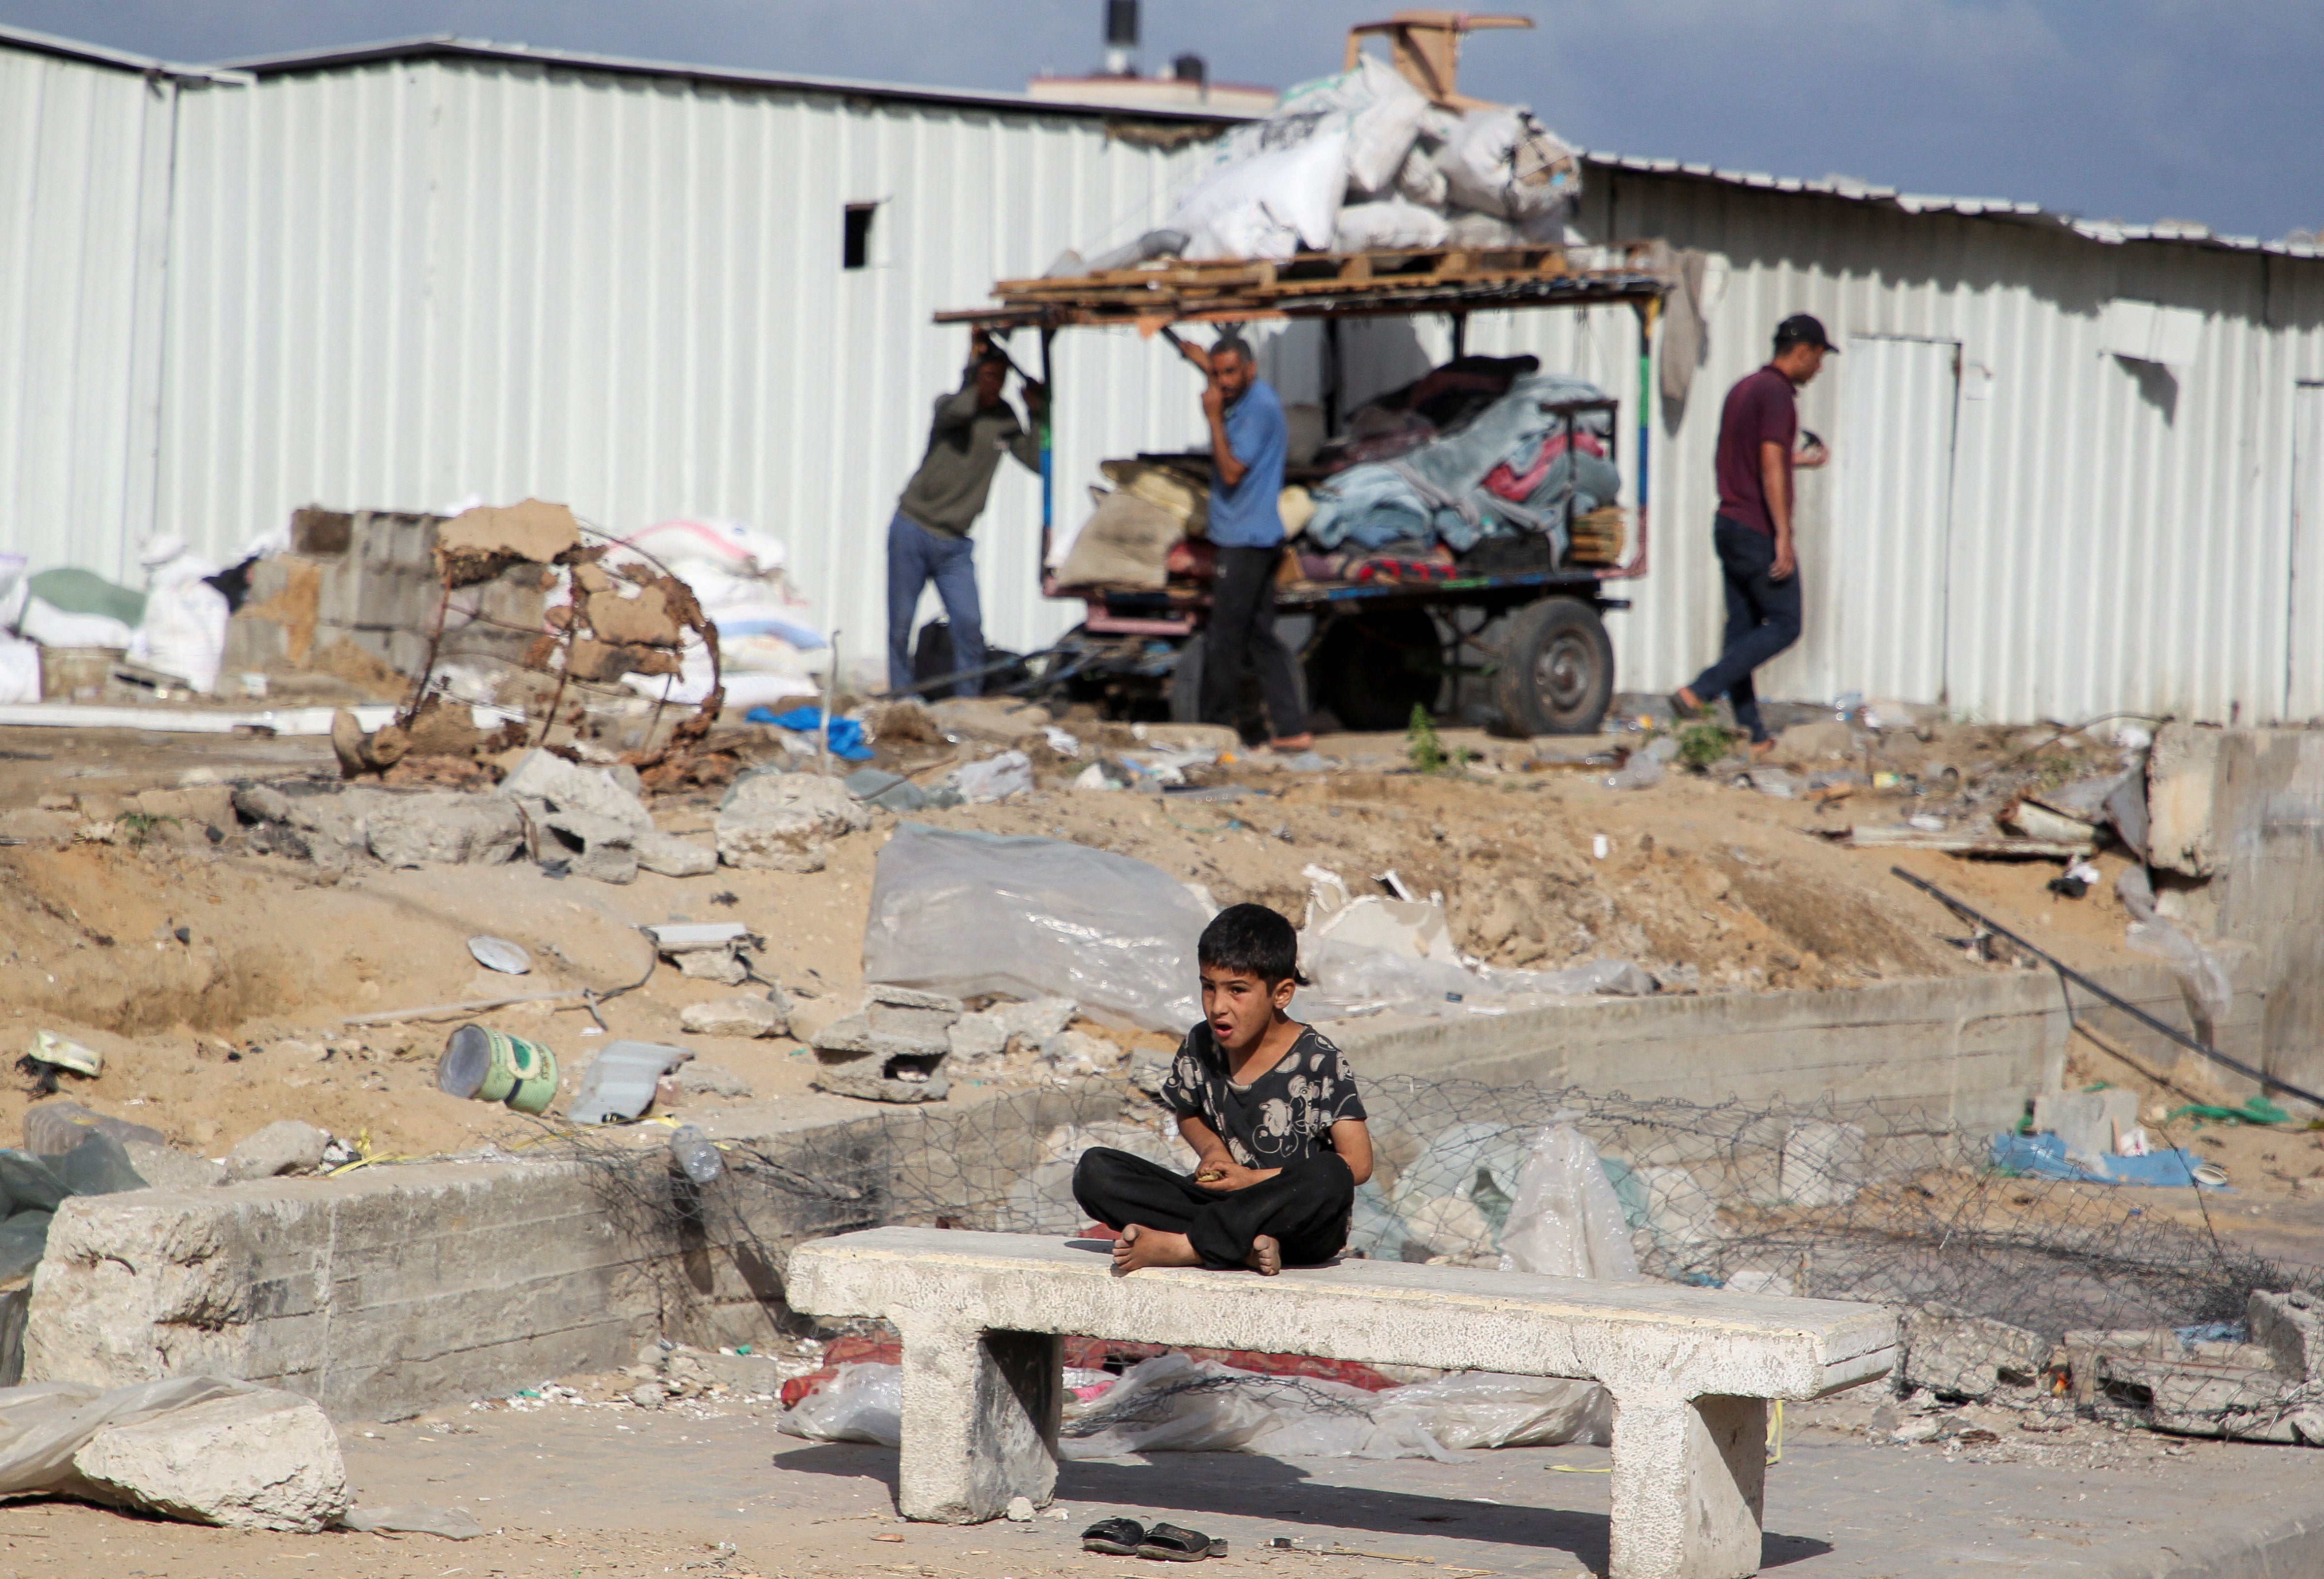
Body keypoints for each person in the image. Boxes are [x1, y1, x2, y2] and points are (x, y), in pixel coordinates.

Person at [1073, 903, 1371, 1276]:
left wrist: (1252, 1180)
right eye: (1208, 987)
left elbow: (1358, 1165)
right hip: (1222, 1202)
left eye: (1237, 991)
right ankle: (1238, 1245)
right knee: (1095, 1171)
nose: (1218, 1007)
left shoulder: (1320, 1060)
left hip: (1294, 1220)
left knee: (1330, 1175)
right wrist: (1214, 1151)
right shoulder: (1201, 1043)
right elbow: (1189, 1111)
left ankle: (1187, 1247)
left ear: (1281, 994)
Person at [1674, 313, 1835, 753]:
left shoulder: (1743, 389)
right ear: (1801, 352)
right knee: (1786, 623)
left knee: (1742, 630)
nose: (1819, 369)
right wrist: (1783, 534)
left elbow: (1747, 454)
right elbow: (1767, 463)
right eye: (1818, 358)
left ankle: (1754, 734)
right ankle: (1699, 691)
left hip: (1727, 521)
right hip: (1755, 528)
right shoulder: (1778, 395)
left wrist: (1797, 460)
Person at [886, 330, 1046, 698]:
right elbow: (961, 408)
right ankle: (901, 697)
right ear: (975, 376)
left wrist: (1037, 412)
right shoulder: (950, 407)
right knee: (900, 624)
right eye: (989, 376)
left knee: (969, 623)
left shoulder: (1004, 419)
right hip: (913, 528)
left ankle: (967, 700)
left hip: (955, 544)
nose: (996, 385)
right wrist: (972, 372)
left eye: (1001, 378)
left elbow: (1037, 461)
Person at [1172, 330, 1311, 750]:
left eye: (1231, 373)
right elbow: (1225, 379)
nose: (1224, 383)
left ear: (1252, 369)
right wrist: (1198, 360)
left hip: (1245, 541)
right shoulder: (1250, 395)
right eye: (1217, 375)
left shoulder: (1256, 411)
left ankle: (1212, 729)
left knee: (1225, 639)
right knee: (1259, 636)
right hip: (1259, 536)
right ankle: (1292, 730)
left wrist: (1212, 418)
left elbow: (1232, 472)